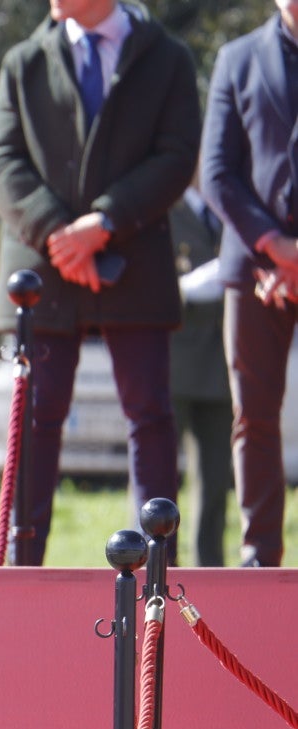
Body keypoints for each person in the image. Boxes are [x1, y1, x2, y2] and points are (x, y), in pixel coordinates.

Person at [0, 0, 198, 565]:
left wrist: (104, 223)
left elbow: (177, 156)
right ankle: (21, 565)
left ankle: (157, 568)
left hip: (134, 258)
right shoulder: (23, 61)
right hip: (43, 269)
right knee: (34, 417)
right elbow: (1, 160)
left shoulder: (168, 59)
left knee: (149, 415)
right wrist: (61, 234)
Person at [201, 1, 298, 567]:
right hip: (254, 267)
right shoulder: (236, 59)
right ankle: (260, 556)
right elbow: (216, 172)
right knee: (254, 417)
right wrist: (276, 248)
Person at [168, 189, 232, 567]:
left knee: (214, 484)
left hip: (220, 361)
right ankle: (153, 570)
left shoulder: (228, 206)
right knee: (157, 477)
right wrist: (188, 287)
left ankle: (211, 571)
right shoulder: (165, 206)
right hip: (172, 359)